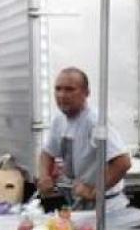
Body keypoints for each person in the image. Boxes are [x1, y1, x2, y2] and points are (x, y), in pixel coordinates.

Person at [37, 67, 131, 206]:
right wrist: (44, 176)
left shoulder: (94, 122)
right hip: (79, 202)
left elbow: (123, 162)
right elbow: (47, 153)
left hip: (106, 206)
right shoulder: (59, 120)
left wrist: (95, 191)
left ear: (86, 93)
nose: (62, 95)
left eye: (69, 89)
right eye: (58, 89)